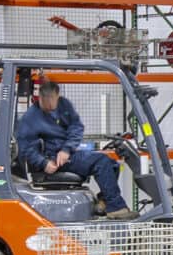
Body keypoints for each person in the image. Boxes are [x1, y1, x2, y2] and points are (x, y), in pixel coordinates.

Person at [17, 74, 134, 219]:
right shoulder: (31, 117)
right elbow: (25, 147)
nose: (49, 106)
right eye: (45, 102)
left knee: (112, 164)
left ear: (58, 96)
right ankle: (116, 207)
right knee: (101, 162)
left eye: (52, 101)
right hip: (52, 161)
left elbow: (76, 126)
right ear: (39, 97)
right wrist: (43, 162)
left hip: (67, 155)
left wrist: (67, 149)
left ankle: (105, 201)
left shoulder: (63, 105)